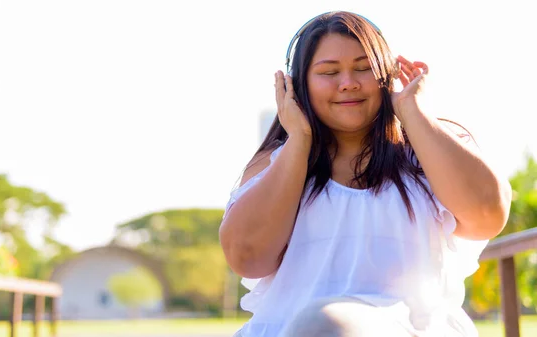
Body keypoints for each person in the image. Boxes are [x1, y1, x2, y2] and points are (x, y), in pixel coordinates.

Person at [219, 10, 512, 337]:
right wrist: (299, 141)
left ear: (388, 75)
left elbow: (488, 215)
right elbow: (246, 257)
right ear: (298, 84)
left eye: (364, 68)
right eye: (329, 72)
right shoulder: (274, 162)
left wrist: (413, 113)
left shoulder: (429, 150)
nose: (348, 83)